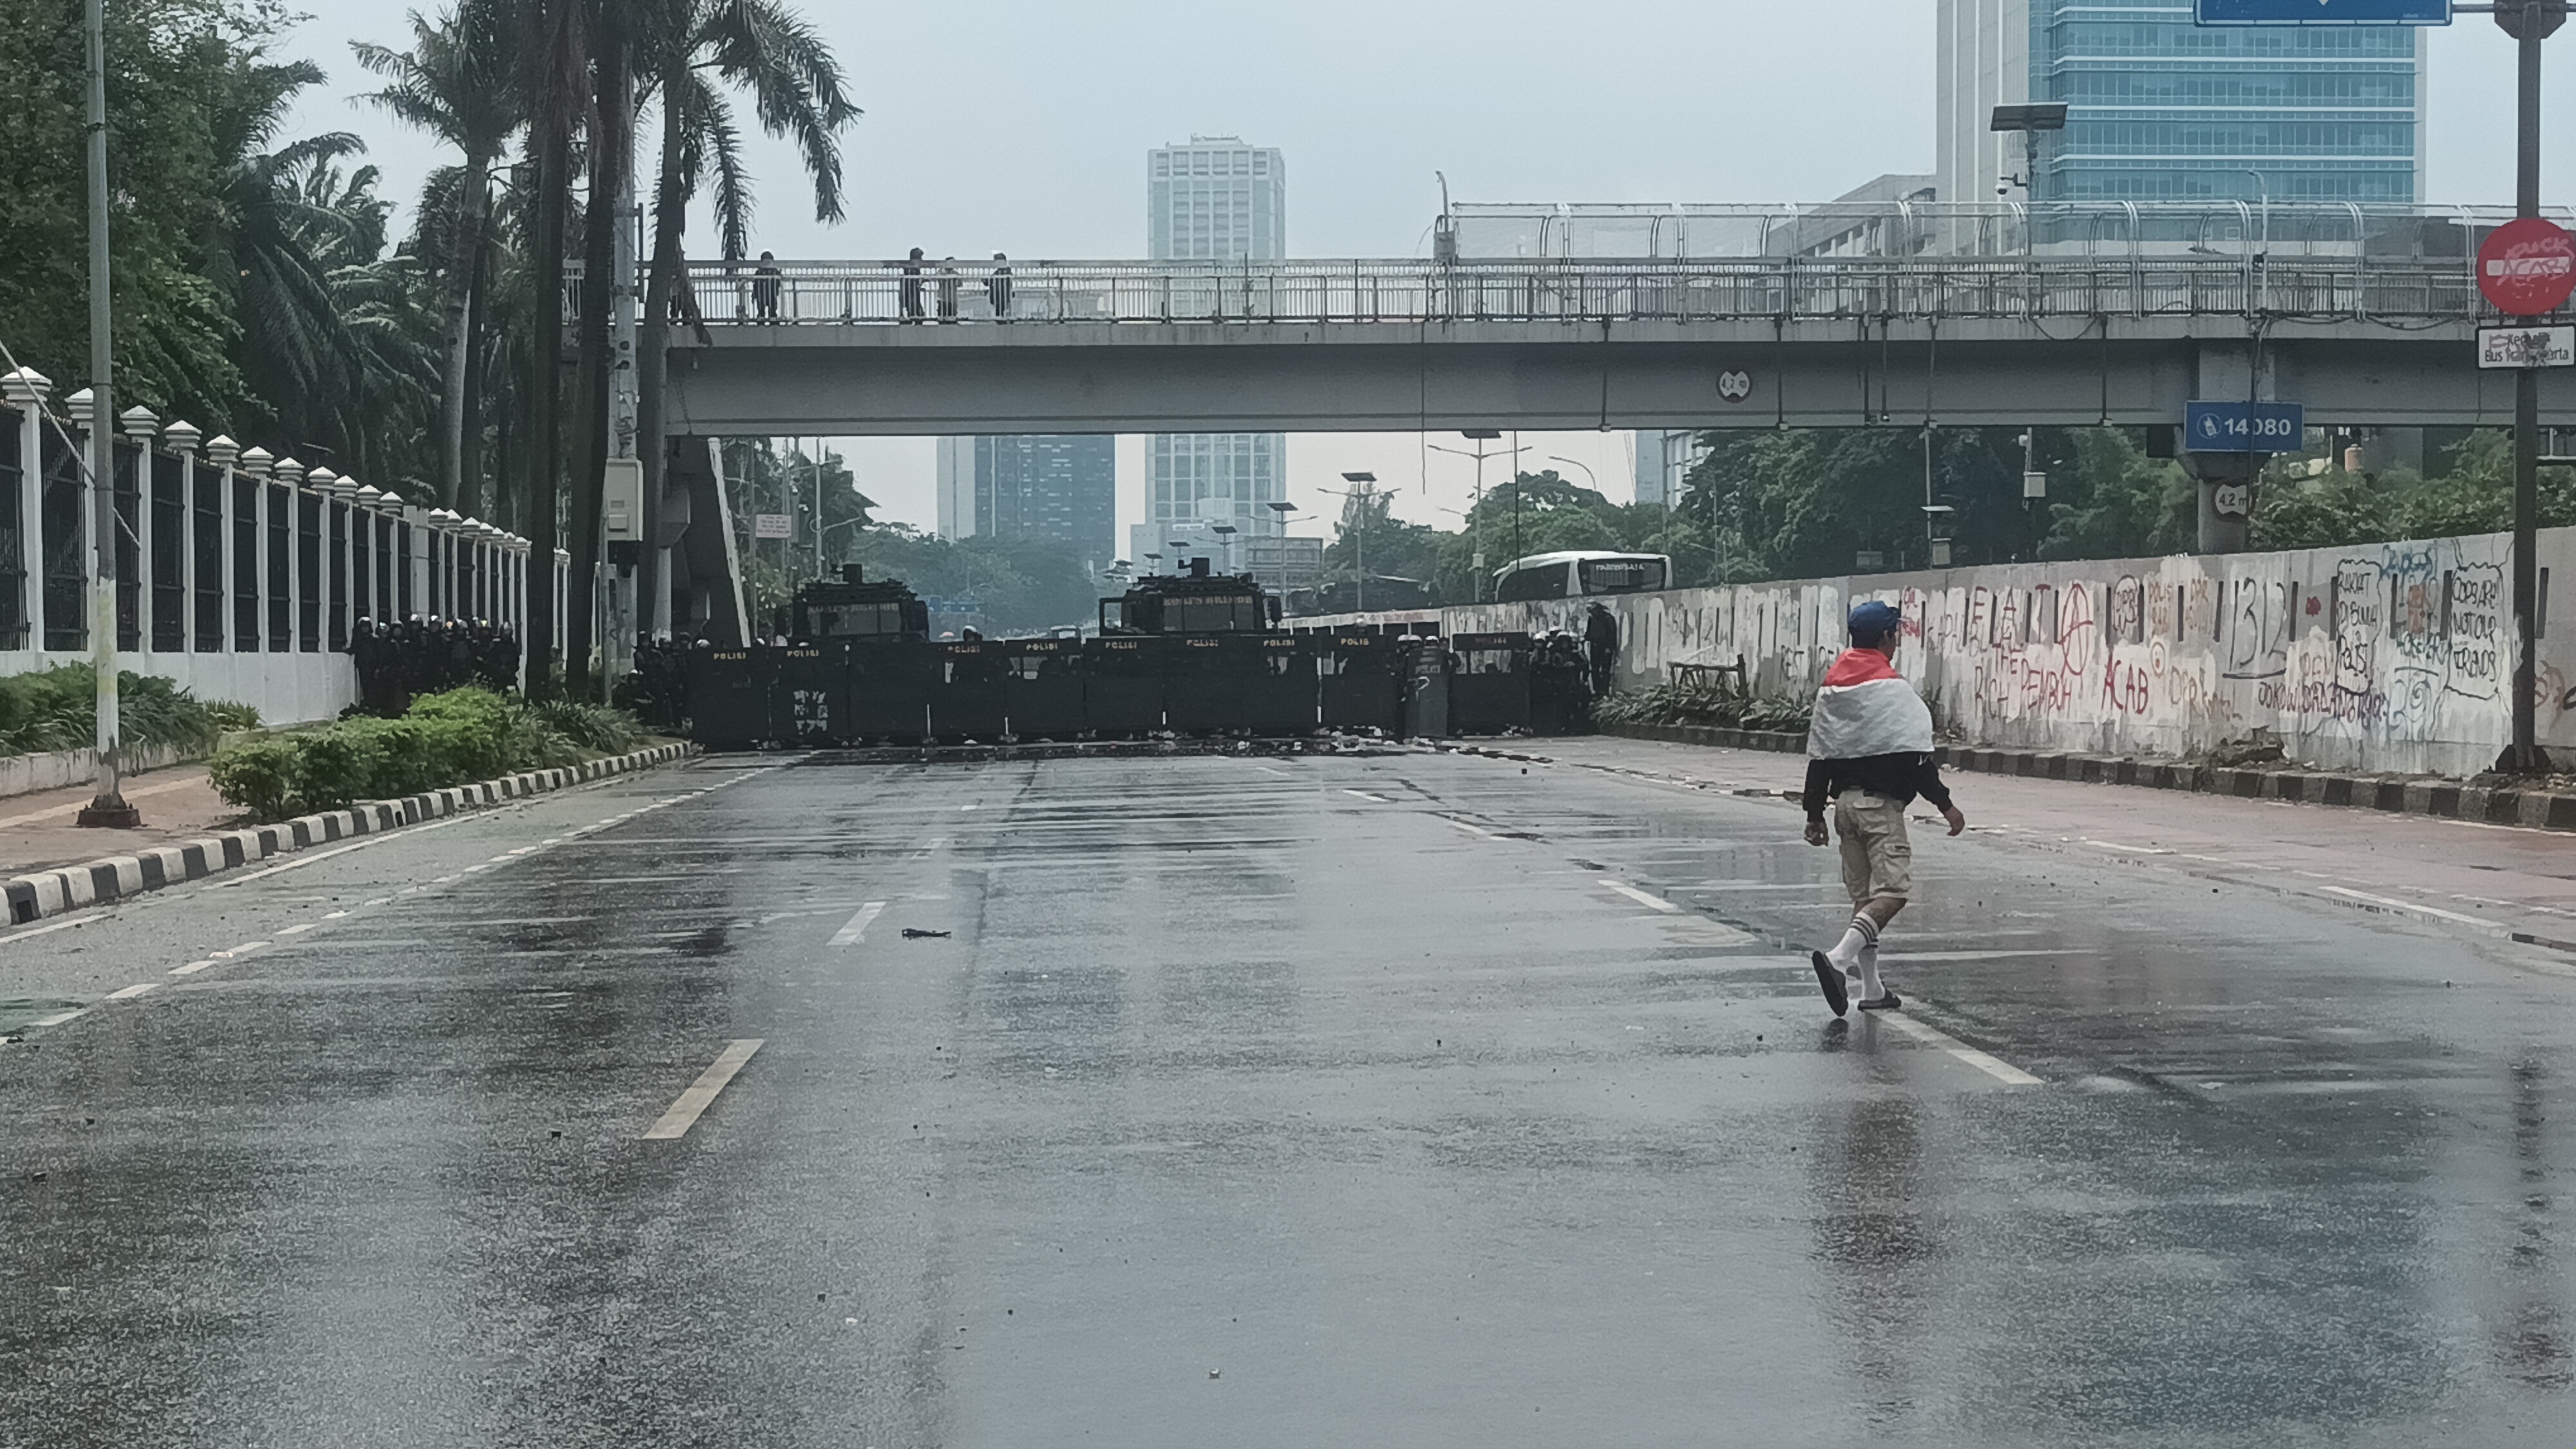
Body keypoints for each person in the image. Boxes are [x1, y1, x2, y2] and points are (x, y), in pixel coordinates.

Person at [1801, 600, 1965, 1016]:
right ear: (1885, 638)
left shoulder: (1834, 688)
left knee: (1864, 901)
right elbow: (1916, 761)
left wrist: (1813, 814)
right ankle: (1838, 961)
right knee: (1892, 894)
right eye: (1895, 633)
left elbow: (1821, 755)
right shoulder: (1894, 691)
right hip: (1879, 810)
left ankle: (1872, 989)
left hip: (1845, 809)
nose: (1897, 640)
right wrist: (1946, 806)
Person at [1583, 601, 1620, 698]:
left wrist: (1609, 647)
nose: (1592, 613)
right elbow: (1589, 632)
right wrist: (1585, 639)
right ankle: (1597, 690)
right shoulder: (1592, 619)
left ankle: (1604, 691)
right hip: (1594, 646)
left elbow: (1612, 634)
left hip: (1605, 647)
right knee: (1594, 669)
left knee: (1605, 670)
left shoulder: (1608, 618)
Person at [752, 251, 782, 323]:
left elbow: (755, 284)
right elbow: (779, 283)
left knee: (762, 307)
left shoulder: (759, 272)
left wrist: (754, 294)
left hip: (761, 293)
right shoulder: (775, 271)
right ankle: (772, 318)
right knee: (772, 307)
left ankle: (762, 318)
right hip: (771, 292)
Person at [899, 248, 925, 323]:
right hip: (910, 290)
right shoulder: (911, 268)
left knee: (913, 303)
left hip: (913, 290)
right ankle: (915, 316)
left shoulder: (911, 268)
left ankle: (915, 316)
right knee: (912, 303)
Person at [985, 252, 1013, 321]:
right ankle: (1001, 317)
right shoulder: (999, 272)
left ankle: (1003, 317)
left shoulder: (1006, 271)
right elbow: (989, 281)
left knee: (1002, 307)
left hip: (1003, 293)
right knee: (999, 308)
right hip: (997, 294)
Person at [937, 258, 961, 322]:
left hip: (952, 297)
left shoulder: (956, 273)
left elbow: (959, 284)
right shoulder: (941, 272)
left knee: (952, 315)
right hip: (943, 296)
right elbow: (939, 280)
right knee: (942, 315)